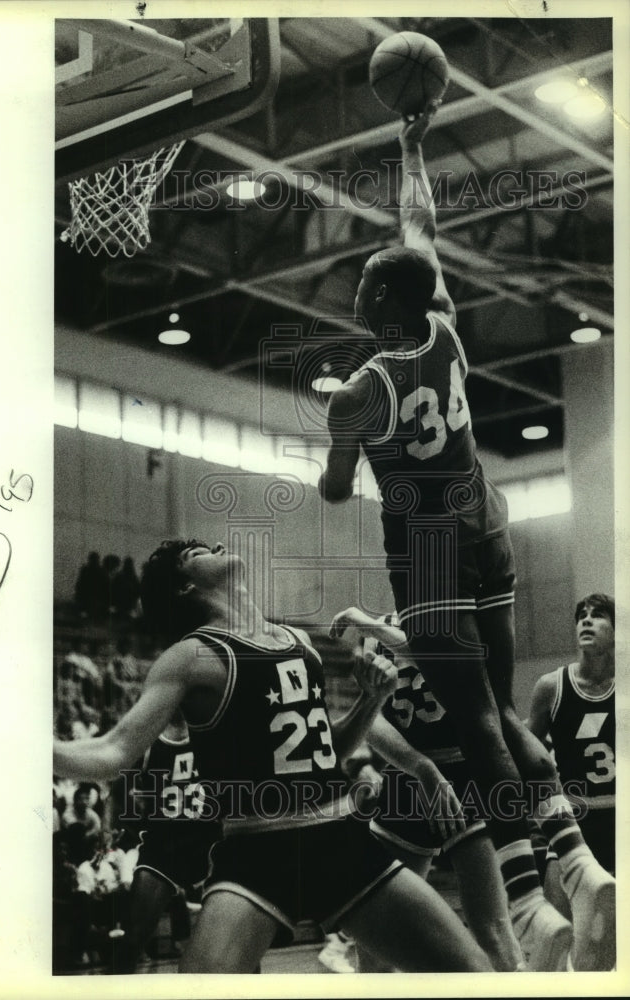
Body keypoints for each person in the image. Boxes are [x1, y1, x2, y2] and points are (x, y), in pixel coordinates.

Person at [317, 106, 615, 972]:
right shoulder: (444, 321)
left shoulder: (358, 391)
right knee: (494, 700)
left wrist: (348, 442)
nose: (358, 290)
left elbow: (337, 490)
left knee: (478, 724)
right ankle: (575, 867)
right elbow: (418, 224)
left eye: (367, 284)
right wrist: (411, 142)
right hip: (488, 523)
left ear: (381, 300)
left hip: (431, 549)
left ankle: (537, 894)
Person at [54, 538, 492, 974]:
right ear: (185, 587)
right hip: (258, 848)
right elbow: (114, 751)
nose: (219, 545)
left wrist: (370, 700)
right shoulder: (190, 656)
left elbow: (327, 752)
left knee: (474, 971)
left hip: (339, 838)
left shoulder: (299, 640)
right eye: (198, 553)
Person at [331, 606, 524, 972]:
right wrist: (420, 767)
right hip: (407, 775)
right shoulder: (379, 630)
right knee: (375, 944)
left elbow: (444, 663)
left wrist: (369, 624)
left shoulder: (466, 615)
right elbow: (371, 719)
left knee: (493, 930)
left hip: (467, 773)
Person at [527, 593, 616, 929]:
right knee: (562, 930)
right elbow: (527, 757)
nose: (586, 620)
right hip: (573, 820)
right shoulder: (551, 687)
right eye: (581, 615)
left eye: (598, 615)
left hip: (620, 817)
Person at [109, 713, 221, 973]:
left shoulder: (212, 734)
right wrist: (122, 826)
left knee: (238, 945)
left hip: (210, 843)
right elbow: (117, 792)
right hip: (163, 846)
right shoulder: (147, 743)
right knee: (134, 937)